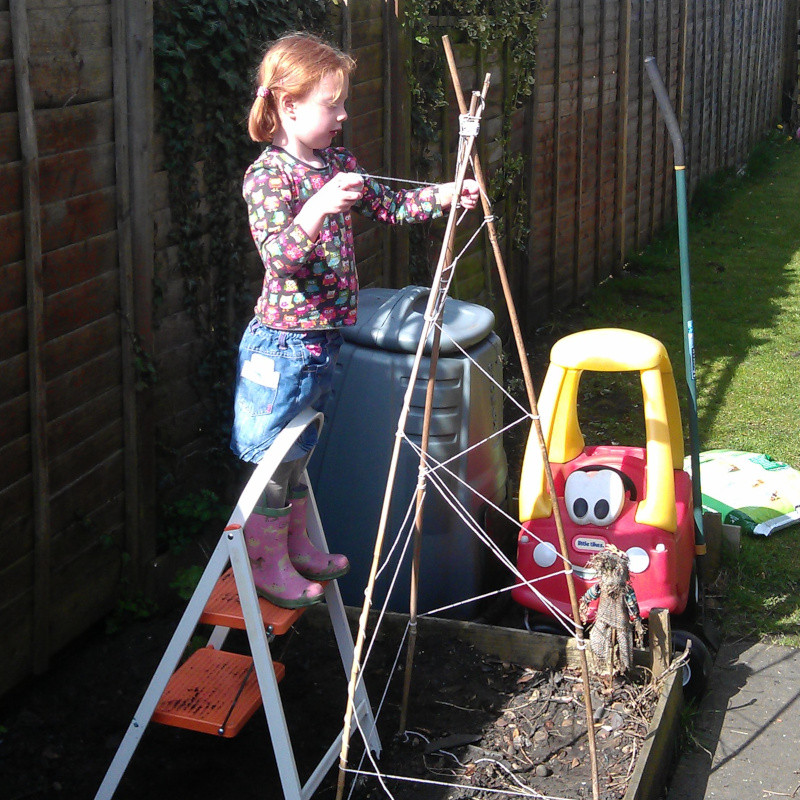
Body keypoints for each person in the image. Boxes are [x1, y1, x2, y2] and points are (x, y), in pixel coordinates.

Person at [231, 31, 480, 609]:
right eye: (333, 103)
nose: (344, 115)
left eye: (344, 102)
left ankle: (295, 546)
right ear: (289, 107)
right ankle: (264, 560)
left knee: (300, 452)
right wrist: (317, 207)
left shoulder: (337, 162)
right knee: (275, 457)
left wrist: (445, 194)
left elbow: (391, 205)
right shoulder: (270, 178)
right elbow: (279, 256)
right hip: (283, 346)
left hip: (322, 341)